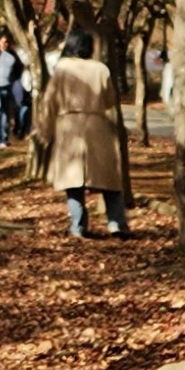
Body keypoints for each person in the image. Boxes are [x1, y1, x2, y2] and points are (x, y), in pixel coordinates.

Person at [34, 22, 131, 238]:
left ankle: (78, 226)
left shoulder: (62, 68)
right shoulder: (101, 69)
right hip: (98, 126)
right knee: (109, 180)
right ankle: (117, 224)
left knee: (73, 181)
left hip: (70, 126)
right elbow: (110, 100)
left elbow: (49, 101)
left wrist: (44, 131)